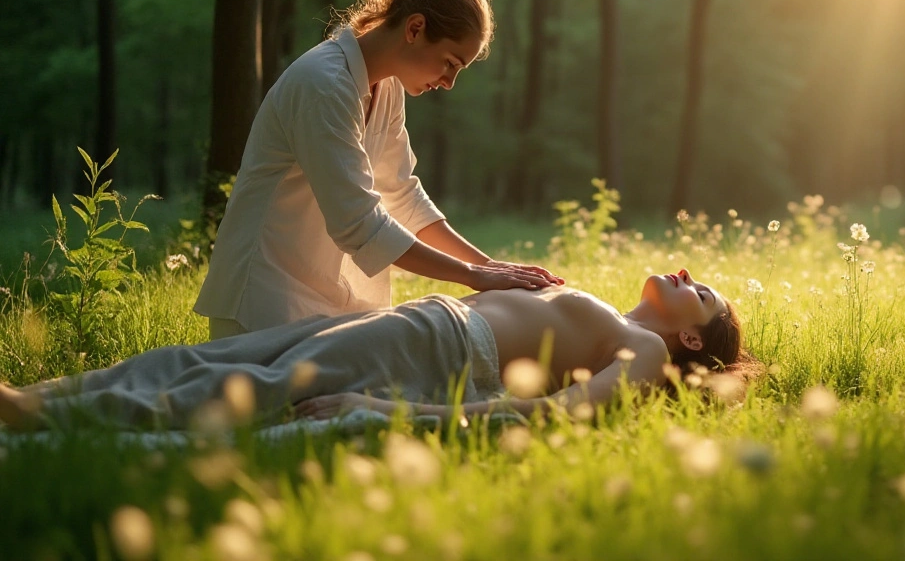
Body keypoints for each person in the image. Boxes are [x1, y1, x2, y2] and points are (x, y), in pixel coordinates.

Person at [194, 0, 560, 341]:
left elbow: (401, 195)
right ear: (415, 28)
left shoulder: (385, 87)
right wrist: (473, 276)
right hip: (264, 306)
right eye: (450, 63)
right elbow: (359, 224)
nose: (449, 82)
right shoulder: (324, 84)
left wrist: (487, 266)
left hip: (329, 304)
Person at [0, 270, 753, 431]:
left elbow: (544, 415)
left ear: (691, 336)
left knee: (250, 385)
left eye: (705, 293)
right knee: (215, 359)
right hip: (425, 321)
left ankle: (41, 421)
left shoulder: (645, 356)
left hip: (443, 351)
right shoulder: (608, 314)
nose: (689, 275)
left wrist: (383, 407)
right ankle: (42, 397)